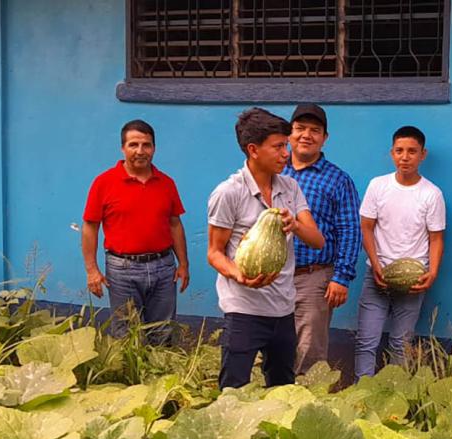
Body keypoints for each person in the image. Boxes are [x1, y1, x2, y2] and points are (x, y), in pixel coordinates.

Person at [207, 107, 325, 389]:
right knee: (234, 389)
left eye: (286, 145)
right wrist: (238, 274)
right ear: (253, 150)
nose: (286, 153)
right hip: (243, 309)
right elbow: (214, 252)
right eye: (278, 147)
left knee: (282, 389)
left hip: (283, 308)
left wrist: (295, 224)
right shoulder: (229, 192)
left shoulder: (290, 187)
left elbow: (317, 240)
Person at [82, 119, 190, 345]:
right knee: (126, 337)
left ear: (154, 148)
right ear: (123, 148)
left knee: (163, 333)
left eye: (146, 145)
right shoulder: (103, 183)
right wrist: (92, 270)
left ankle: (160, 367)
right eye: (133, 145)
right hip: (122, 270)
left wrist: (183, 264)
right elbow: (90, 226)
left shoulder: (166, 183)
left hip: (164, 268)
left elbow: (175, 224)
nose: (140, 151)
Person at [354, 126, 446, 381]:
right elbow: (366, 227)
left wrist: (432, 273)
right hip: (377, 276)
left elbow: (436, 238)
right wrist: (376, 265)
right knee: (366, 341)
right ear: (392, 153)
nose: (405, 157)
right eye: (399, 151)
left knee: (400, 344)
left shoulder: (431, 194)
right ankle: (361, 392)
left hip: (413, 281)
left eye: (412, 151)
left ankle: (396, 395)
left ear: (422, 155)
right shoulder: (378, 186)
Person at [282, 104, 361, 375]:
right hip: (272, 277)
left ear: (324, 138)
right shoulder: (274, 171)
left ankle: (307, 398)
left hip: (313, 278)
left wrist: (341, 277)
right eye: (300, 128)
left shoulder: (338, 180)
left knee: (309, 350)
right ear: (289, 134)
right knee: (273, 344)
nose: (307, 135)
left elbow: (350, 229)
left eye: (315, 130)